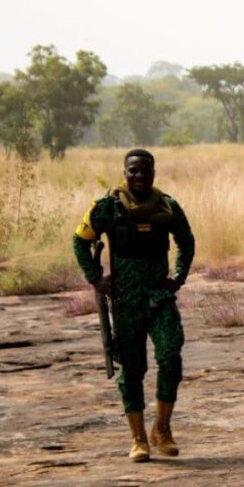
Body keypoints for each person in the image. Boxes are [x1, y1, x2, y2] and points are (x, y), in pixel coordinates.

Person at [73, 148, 195, 462]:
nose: (140, 176)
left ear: (154, 173)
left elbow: (187, 241)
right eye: (133, 171)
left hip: (159, 298)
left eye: (145, 171)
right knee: (132, 369)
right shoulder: (107, 209)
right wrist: (96, 278)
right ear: (125, 173)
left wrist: (178, 276)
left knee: (170, 355)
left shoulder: (168, 206)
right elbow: (80, 240)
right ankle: (139, 439)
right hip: (126, 301)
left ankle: (162, 430)